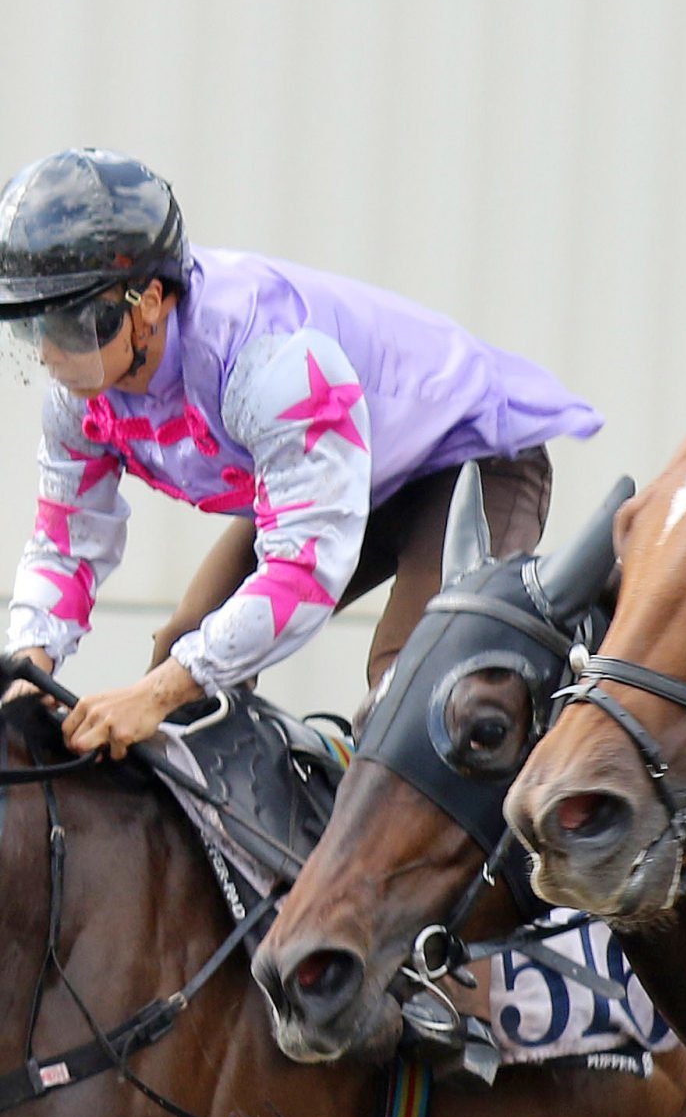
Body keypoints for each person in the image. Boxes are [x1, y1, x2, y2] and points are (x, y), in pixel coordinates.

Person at [0, 148, 596, 759]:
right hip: (348, 470)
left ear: (148, 301)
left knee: (410, 687)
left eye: (71, 323)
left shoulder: (266, 359)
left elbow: (302, 573)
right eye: (29, 327)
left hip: (467, 462)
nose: (49, 352)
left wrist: (153, 696)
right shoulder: (78, 399)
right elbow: (65, 541)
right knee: (183, 647)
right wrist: (29, 662)